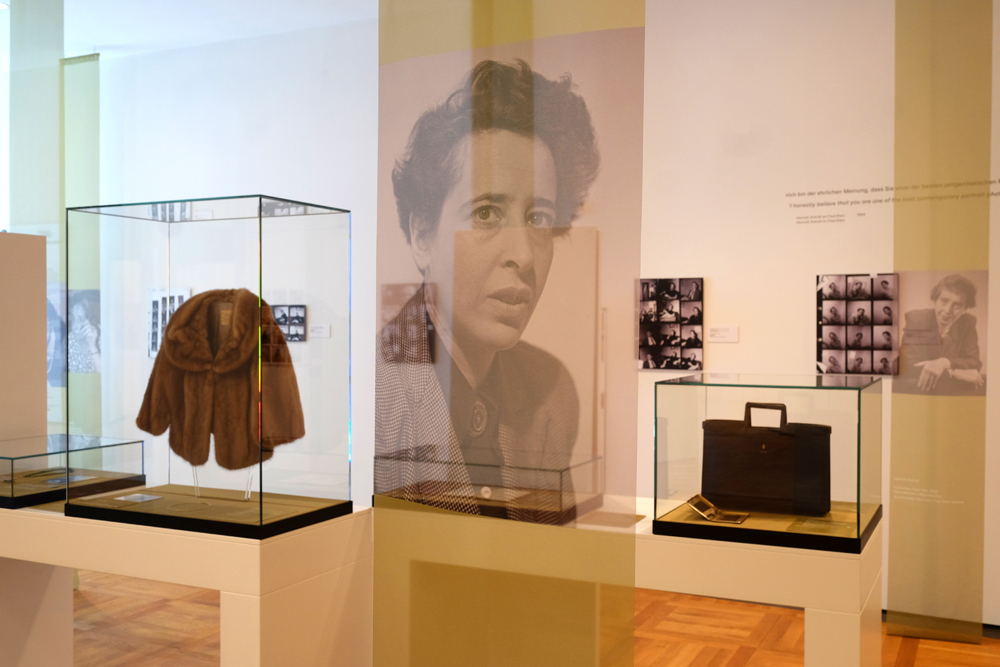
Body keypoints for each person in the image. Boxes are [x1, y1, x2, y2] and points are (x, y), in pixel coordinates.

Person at [376, 59, 599, 523]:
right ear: (422, 235)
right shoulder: (371, 400)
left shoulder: (552, 392)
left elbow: (557, 568)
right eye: (485, 214)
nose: (524, 253)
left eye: (538, 218)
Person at [900, 274, 984, 394]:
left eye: (957, 305)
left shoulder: (967, 323)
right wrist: (954, 373)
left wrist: (944, 362)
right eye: (944, 301)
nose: (947, 310)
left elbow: (974, 363)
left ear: (965, 308)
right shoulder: (917, 320)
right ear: (935, 300)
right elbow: (908, 365)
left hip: (949, 391)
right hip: (915, 390)